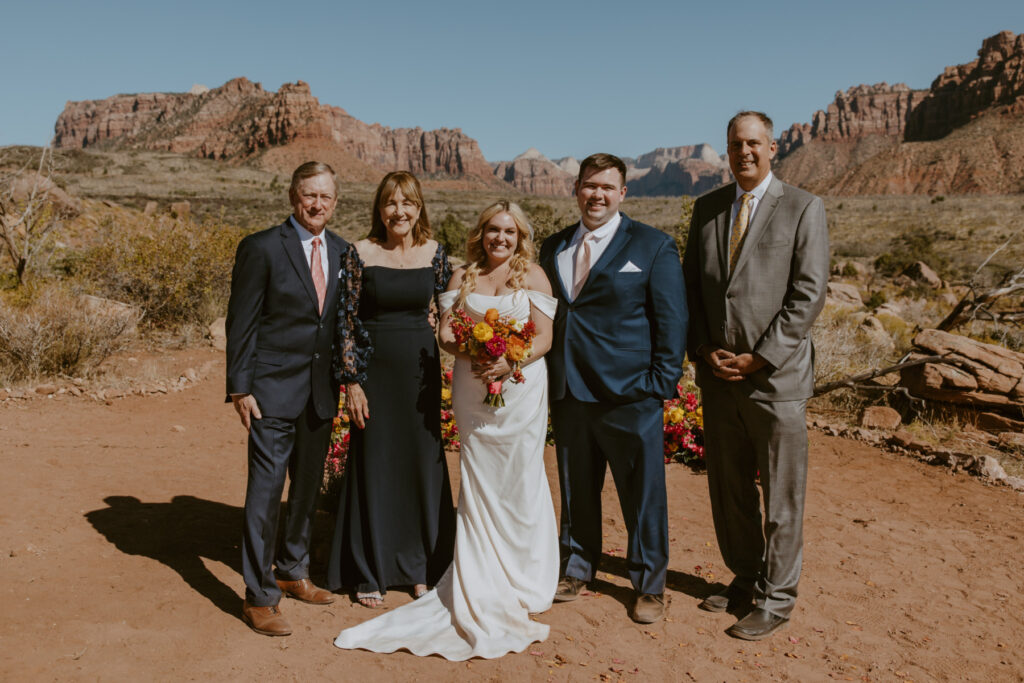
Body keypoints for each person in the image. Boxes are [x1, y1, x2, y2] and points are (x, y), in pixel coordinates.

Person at [333, 200, 558, 660]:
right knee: (477, 479)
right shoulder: (462, 276)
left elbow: (544, 336)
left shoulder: (533, 276)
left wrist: (510, 357)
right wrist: (473, 350)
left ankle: (526, 579)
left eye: (509, 232)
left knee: (521, 476)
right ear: (481, 232)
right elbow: (447, 335)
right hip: (473, 390)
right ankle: (478, 568)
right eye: (493, 230)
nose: (501, 238)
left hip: (519, 389)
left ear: (520, 237)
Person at [683, 111, 829, 641]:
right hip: (718, 375)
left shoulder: (803, 207)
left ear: (772, 149)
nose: (743, 152)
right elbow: (693, 292)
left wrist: (760, 357)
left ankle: (777, 598)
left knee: (782, 495)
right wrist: (702, 348)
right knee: (730, 489)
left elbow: (808, 293)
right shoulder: (707, 209)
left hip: (776, 379)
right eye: (734, 144)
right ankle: (745, 577)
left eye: (753, 143)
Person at [538, 153, 687, 624]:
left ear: (623, 193)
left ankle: (649, 584)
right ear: (576, 189)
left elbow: (672, 319)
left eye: (607, 187)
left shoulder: (652, 246)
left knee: (642, 494)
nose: (596, 194)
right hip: (569, 392)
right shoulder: (552, 247)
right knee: (576, 488)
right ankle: (577, 566)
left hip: (630, 395)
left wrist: (659, 384)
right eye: (588, 185)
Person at [225, 161, 345, 637]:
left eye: (326, 197)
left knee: (307, 491)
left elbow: (338, 326)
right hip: (270, 392)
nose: (317, 204)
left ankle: (293, 571)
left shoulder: (342, 251)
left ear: (336, 202)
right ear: (294, 196)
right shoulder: (261, 247)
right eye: (309, 195)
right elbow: (242, 320)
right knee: (265, 494)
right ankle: (258, 596)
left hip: (320, 393)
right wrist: (239, 386)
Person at [327, 171, 456, 608]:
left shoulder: (437, 254)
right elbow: (344, 322)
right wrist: (352, 381)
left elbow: (449, 311)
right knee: (376, 464)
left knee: (422, 465)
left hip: (421, 376)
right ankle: (371, 569)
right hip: (374, 372)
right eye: (390, 203)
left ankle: (419, 567)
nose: (399, 211)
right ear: (378, 209)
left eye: (408, 203)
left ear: (419, 208)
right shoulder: (359, 252)